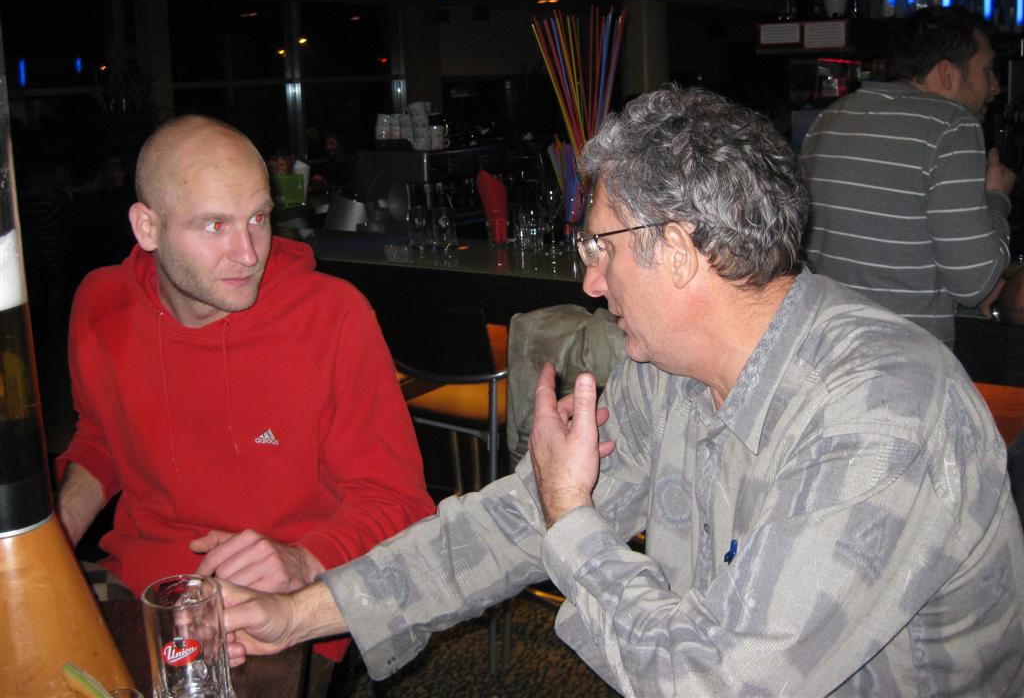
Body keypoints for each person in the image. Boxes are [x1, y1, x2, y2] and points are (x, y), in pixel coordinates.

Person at [220, 87, 1024, 696]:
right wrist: (302, 610)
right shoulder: (666, 374)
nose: (591, 282)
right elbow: (515, 520)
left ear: (677, 250)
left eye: (599, 247)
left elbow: (715, 681)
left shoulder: (883, 413)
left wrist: (572, 518)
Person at [55, 114, 436, 691]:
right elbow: (101, 436)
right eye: (215, 225)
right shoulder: (100, 303)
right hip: (140, 587)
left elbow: (400, 501)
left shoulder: (331, 316)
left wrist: (304, 560)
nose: (249, 253)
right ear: (147, 227)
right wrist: (54, 532)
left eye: (259, 218)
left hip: (280, 607)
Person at [801, 6, 1014, 348]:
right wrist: (997, 198)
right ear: (947, 73)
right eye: (987, 70)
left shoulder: (830, 118)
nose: (995, 87)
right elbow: (973, 283)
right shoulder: (952, 125)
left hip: (824, 348)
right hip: (904, 360)